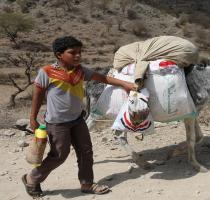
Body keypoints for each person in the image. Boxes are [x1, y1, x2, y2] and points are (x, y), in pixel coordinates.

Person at [22, 36, 138, 197]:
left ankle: (87, 183)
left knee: (86, 152)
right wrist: (32, 118)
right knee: (59, 155)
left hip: (77, 120)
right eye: (72, 52)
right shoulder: (47, 72)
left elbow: (102, 78)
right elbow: (38, 95)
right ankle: (32, 178)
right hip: (57, 123)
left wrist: (125, 84)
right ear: (59, 55)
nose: (78, 55)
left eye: (80, 52)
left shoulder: (80, 71)